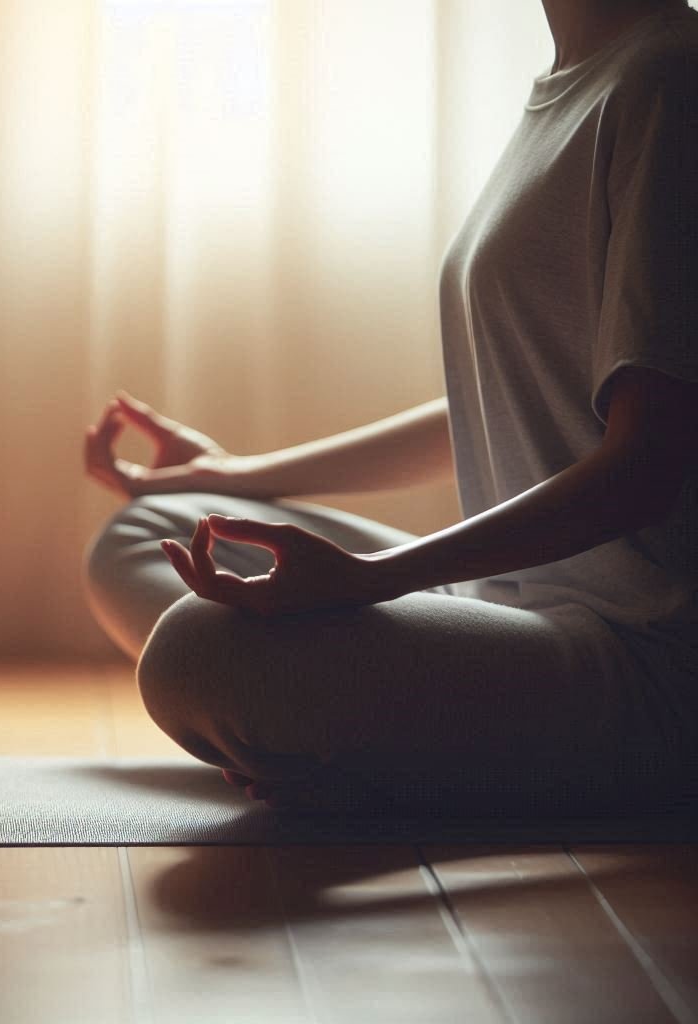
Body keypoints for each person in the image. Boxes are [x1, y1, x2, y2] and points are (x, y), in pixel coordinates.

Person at [82, 0, 698, 815]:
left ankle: (359, 741)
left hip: (640, 661)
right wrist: (239, 474)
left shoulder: (668, 81)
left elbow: (647, 468)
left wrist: (375, 579)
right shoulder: (573, 82)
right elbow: (494, 403)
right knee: (148, 533)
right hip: (510, 606)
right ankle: (368, 735)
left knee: (197, 654)